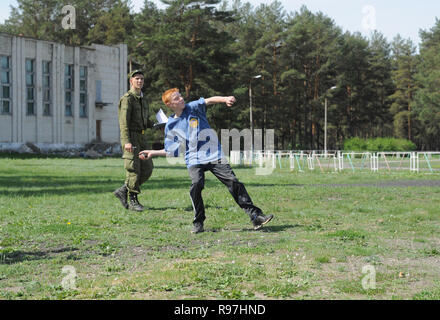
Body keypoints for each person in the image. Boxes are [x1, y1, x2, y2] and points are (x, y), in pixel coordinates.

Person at [138, 88, 273, 233]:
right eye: (177, 98)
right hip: (194, 158)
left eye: (180, 96)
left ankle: (255, 215)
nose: (181, 99)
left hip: (214, 154)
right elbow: (172, 150)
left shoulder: (193, 107)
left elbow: (209, 100)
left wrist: (225, 98)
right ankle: (198, 222)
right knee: (196, 184)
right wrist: (153, 153)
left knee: (233, 181)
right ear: (170, 104)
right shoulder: (171, 125)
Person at [113, 70, 154, 212]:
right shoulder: (128, 99)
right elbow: (123, 123)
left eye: (142, 79)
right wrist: (126, 142)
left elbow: (145, 120)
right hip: (131, 137)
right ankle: (133, 200)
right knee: (134, 170)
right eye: (137, 79)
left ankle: (123, 190)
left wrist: (157, 125)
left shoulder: (143, 99)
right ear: (131, 81)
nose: (140, 81)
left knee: (147, 169)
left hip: (142, 137)